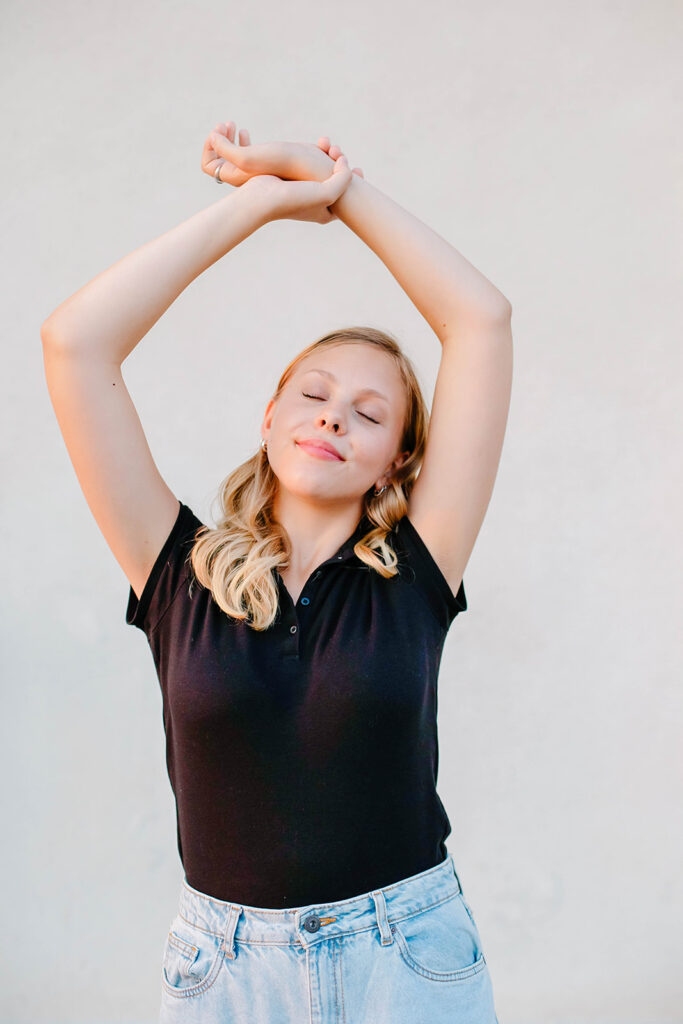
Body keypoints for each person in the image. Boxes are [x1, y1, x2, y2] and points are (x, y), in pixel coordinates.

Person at [41, 120, 512, 1023]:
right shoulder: (176, 569)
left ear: (398, 464)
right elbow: (75, 344)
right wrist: (262, 205)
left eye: (369, 415)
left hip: (405, 960)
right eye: (314, 393)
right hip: (225, 974)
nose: (334, 418)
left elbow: (478, 320)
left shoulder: (415, 573)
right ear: (269, 417)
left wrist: (341, 190)